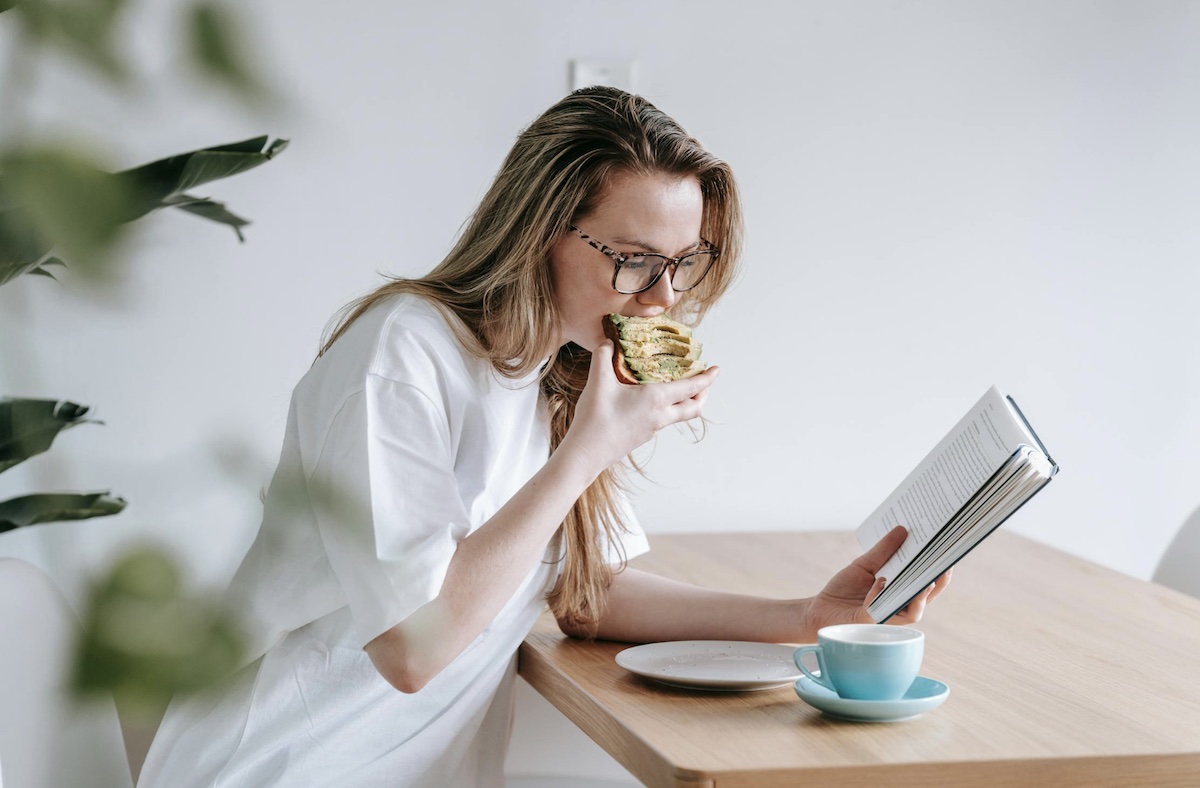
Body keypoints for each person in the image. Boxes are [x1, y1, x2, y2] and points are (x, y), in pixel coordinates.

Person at [138, 86, 950, 787]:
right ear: (541, 232)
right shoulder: (403, 354)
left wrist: (805, 615)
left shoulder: (560, 368)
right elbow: (413, 652)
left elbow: (583, 594)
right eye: (634, 260)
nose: (662, 298)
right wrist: (588, 451)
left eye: (683, 263)